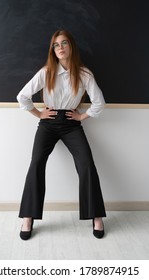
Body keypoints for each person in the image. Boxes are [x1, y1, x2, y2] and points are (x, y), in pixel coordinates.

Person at [17, 30, 106, 240]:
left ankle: (96, 216)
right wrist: (39, 113)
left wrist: (81, 117)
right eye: (56, 45)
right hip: (48, 123)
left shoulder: (84, 74)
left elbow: (99, 103)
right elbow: (22, 96)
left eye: (64, 43)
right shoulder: (46, 72)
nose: (60, 47)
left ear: (71, 47)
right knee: (37, 162)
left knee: (86, 164)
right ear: (53, 50)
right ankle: (28, 217)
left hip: (71, 123)